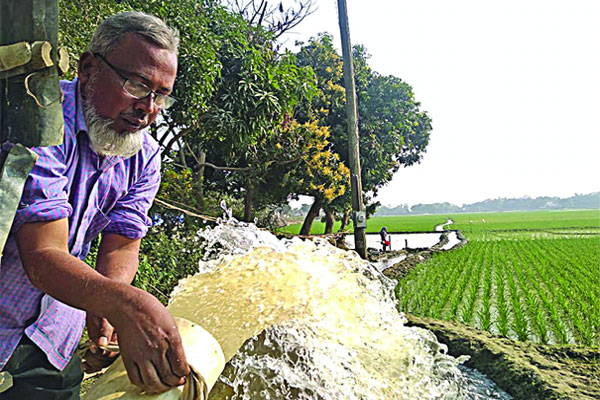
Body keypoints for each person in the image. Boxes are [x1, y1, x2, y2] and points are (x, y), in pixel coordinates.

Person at [0, 11, 190, 398]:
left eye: (161, 95)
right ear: (89, 69)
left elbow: (122, 244)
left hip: (53, 341)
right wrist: (126, 304)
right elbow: (42, 253)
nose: (148, 108)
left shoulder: (144, 156)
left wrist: (105, 302)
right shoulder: (40, 121)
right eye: (137, 85)